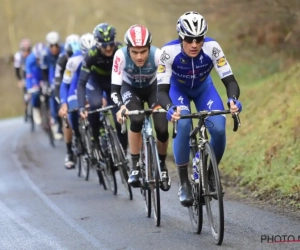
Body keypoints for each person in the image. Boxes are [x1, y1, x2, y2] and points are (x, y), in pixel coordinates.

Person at [157, 11, 242, 207]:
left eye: (199, 39)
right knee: (184, 123)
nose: (194, 44)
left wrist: (233, 100)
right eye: (189, 39)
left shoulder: (212, 48)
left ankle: (211, 173)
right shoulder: (168, 52)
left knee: (219, 130)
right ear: (181, 38)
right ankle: (184, 182)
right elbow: (161, 90)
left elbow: (230, 80)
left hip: (204, 89)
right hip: (178, 90)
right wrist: (170, 108)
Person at [111, 25, 170, 191]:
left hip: (153, 89)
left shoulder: (158, 55)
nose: (139, 56)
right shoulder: (120, 55)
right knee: (136, 119)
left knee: (162, 129)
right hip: (130, 89)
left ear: (149, 48)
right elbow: (115, 90)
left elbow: (166, 84)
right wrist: (121, 107)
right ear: (128, 48)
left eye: (143, 51)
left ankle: (162, 165)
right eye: (134, 52)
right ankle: (135, 165)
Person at [77, 23, 128, 157]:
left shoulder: (121, 49)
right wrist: (82, 106)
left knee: (120, 118)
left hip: (114, 84)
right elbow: (81, 83)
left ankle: (123, 151)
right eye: (105, 45)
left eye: (111, 44)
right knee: (95, 104)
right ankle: (95, 138)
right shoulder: (92, 53)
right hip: (96, 83)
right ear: (98, 44)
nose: (109, 48)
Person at [59, 33, 97, 169]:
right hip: (76, 86)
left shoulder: (101, 55)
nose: (89, 56)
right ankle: (76, 141)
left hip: (93, 84)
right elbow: (65, 84)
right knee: (73, 111)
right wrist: (64, 103)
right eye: (86, 53)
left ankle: (101, 137)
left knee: (98, 107)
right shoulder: (73, 61)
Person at [41, 31, 65, 140]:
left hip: (64, 73)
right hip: (52, 74)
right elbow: (45, 71)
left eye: (56, 45)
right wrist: (47, 85)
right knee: (53, 97)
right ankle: (56, 120)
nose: (54, 48)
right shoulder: (45, 55)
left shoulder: (64, 51)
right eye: (51, 46)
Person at [25, 42, 47, 125]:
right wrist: (32, 86)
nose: (39, 61)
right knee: (35, 93)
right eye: (38, 59)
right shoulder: (30, 59)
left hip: (43, 75)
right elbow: (29, 75)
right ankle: (36, 108)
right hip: (33, 77)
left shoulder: (46, 56)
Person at [14, 38, 31, 121]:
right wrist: (20, 80)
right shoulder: (18, 56)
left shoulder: (33, 55)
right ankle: (26, 109)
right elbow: (17, 70)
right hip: (24, 76)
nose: (26, 52)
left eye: (28, 50)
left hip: (33, 75)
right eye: (24, 50)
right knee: (26, 95)